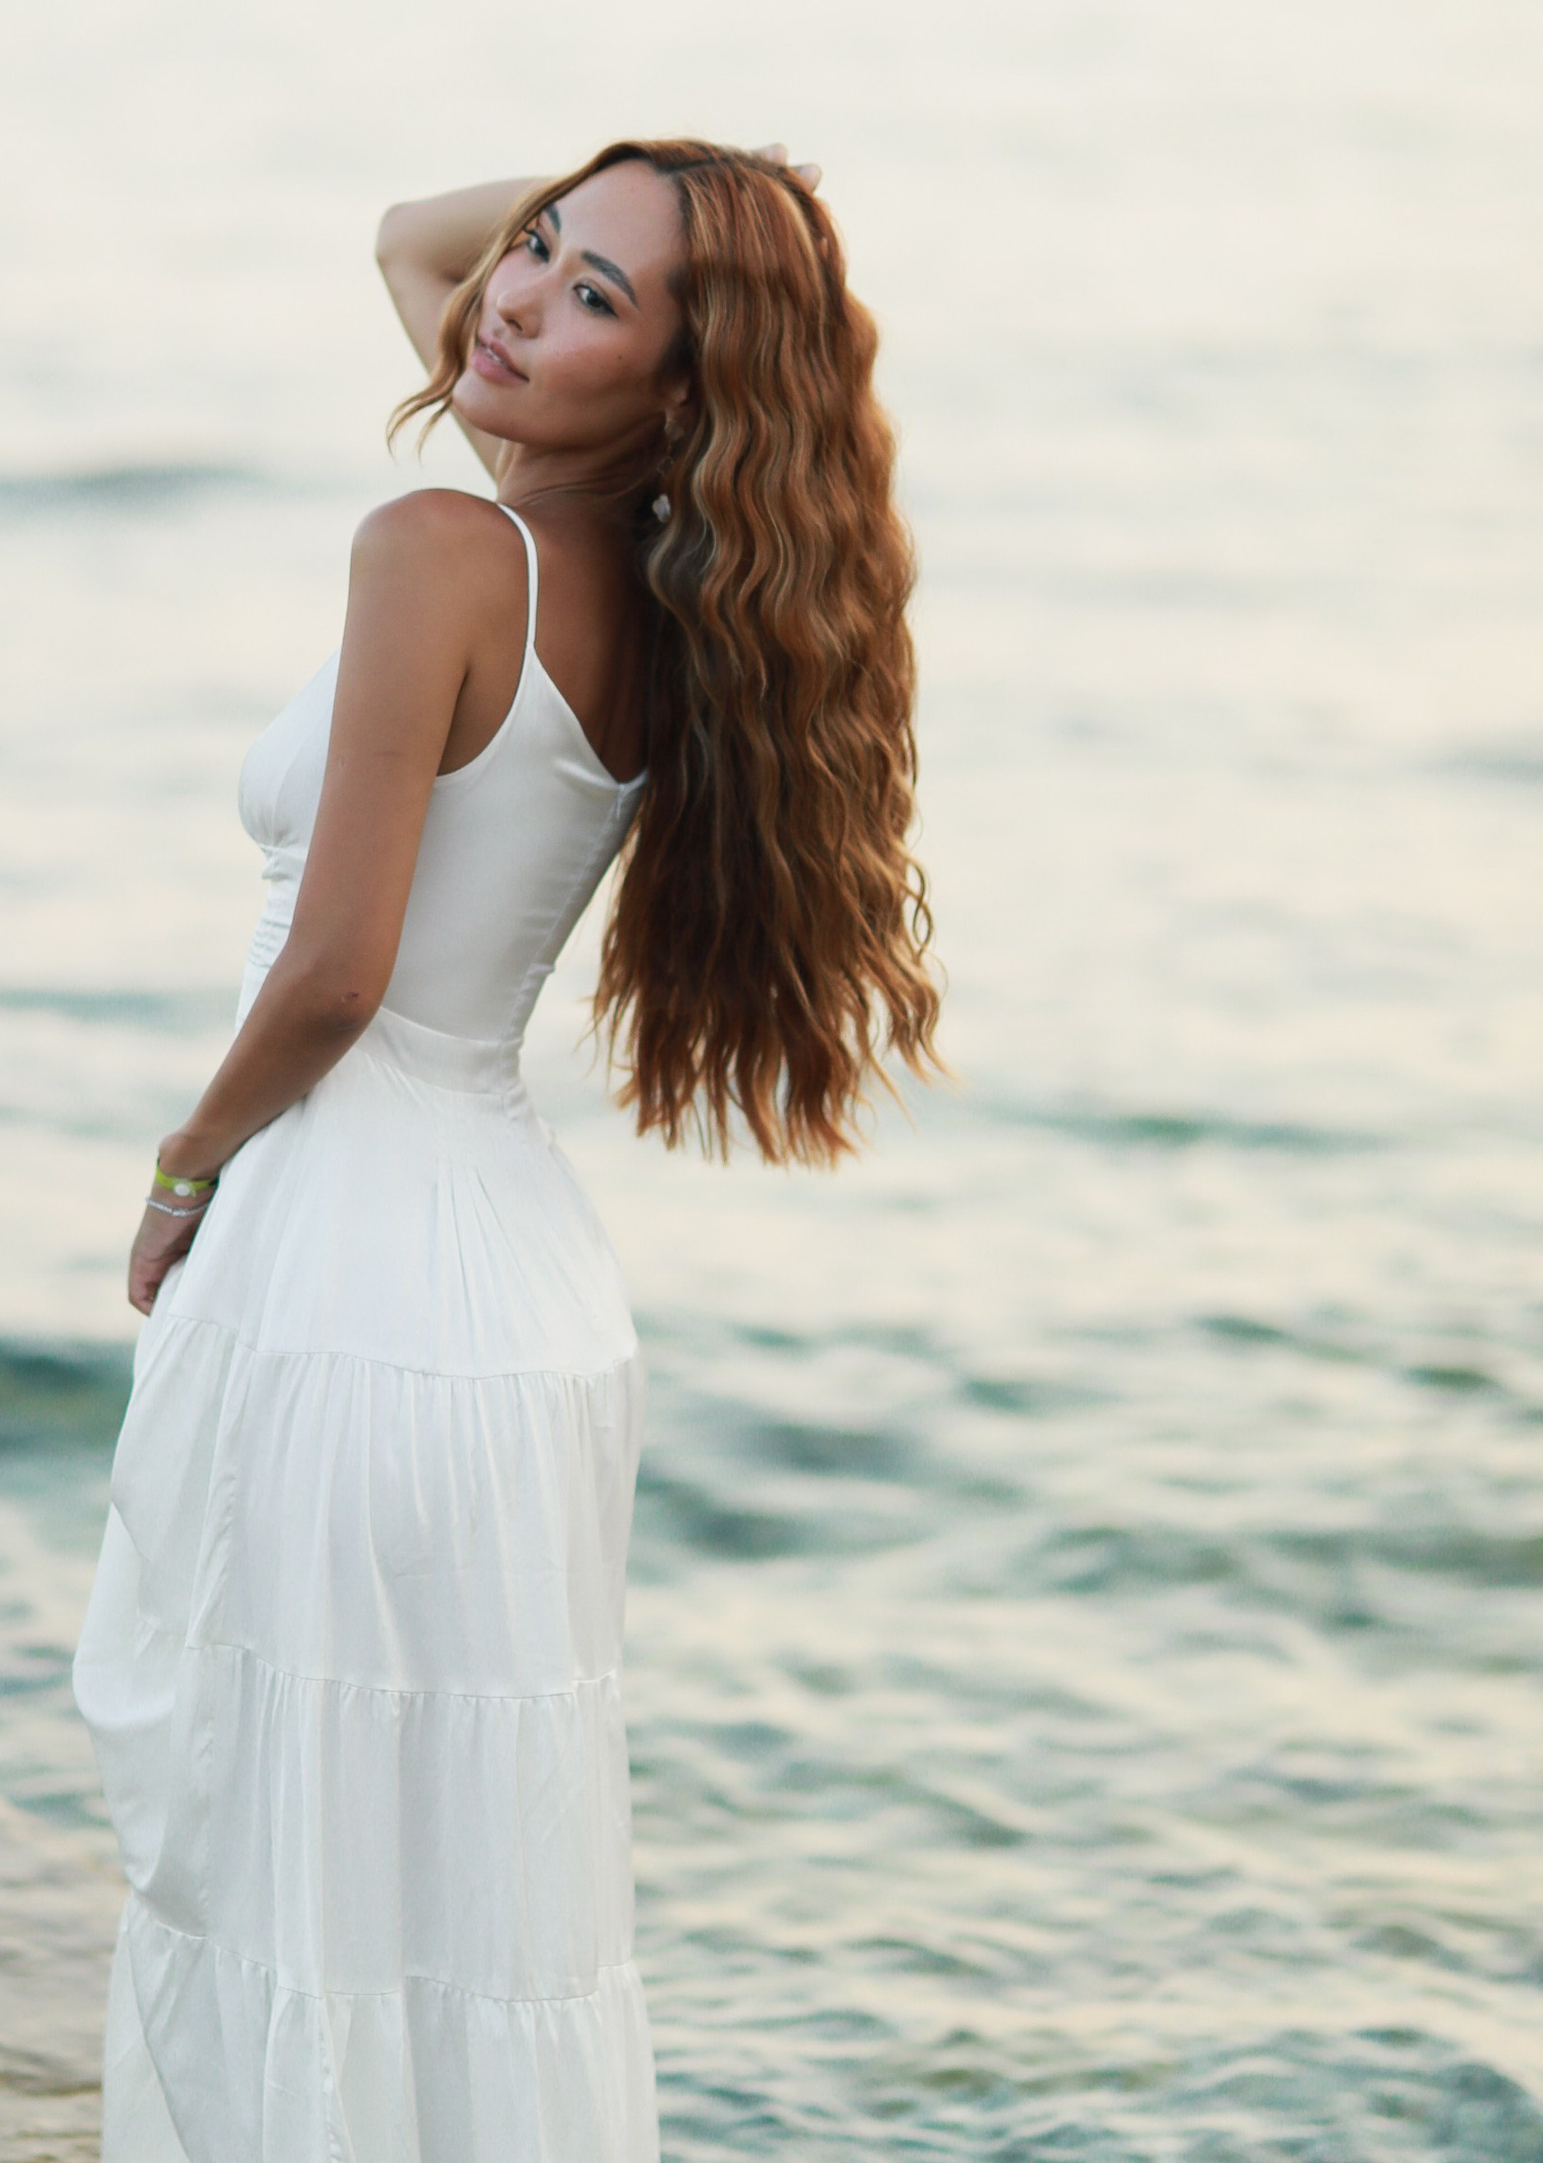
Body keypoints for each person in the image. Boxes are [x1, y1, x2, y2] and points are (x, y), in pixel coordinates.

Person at [71, 139, 942, 2162]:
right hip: (511, 1294)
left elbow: (330, 975)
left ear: (679, 389)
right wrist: (667, 207)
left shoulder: (440, 552)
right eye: (535, 252)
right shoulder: (663, 594)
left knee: (301, 1865)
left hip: (348, 1247)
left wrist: (185, 1158)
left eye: (594, 297)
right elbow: (416, 247)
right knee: (471, 1902)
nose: (514, 298)